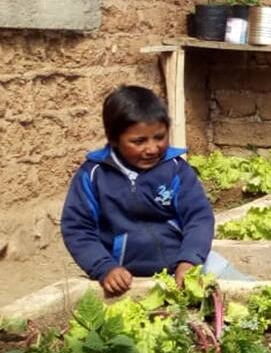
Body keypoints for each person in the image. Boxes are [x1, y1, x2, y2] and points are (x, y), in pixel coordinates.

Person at [61, 86, 238, 296]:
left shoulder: (176, 169)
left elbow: (199, 217)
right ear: (114, 139)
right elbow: (78, 229)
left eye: (160, 137)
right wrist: (104, 267)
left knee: (246, 290)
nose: (152, 148)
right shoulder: (93, 176)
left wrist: (190, 260)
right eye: (139, 141)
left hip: (185, 265)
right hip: (125, 279)